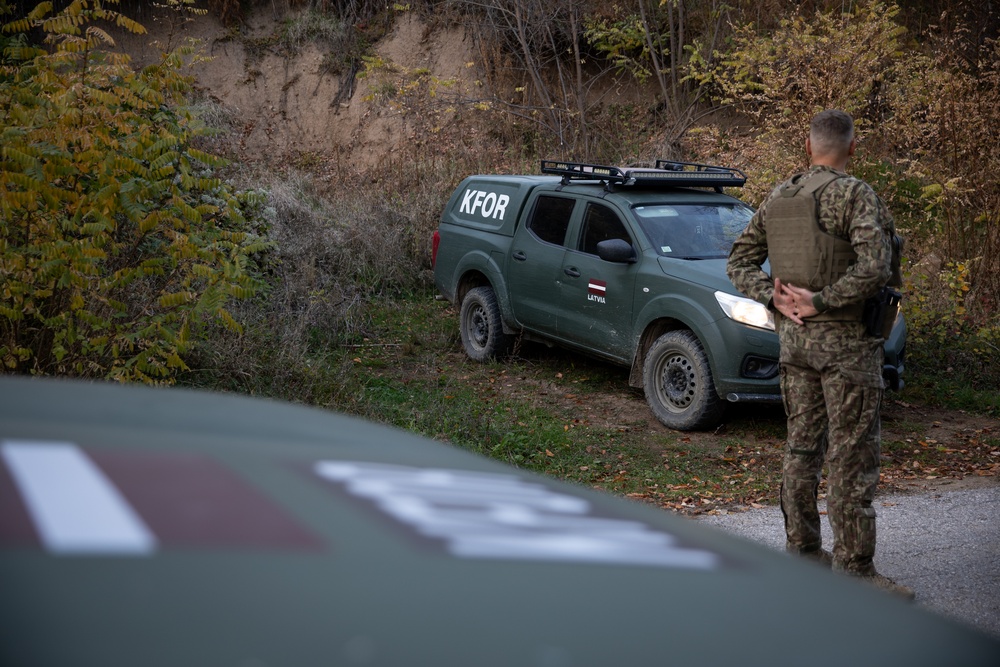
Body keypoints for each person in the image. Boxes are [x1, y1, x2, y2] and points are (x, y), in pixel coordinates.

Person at [726, 109, 913, 599]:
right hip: (847, 348)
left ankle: (804, 555)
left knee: (801, 449)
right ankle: (854, 572)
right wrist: (821, 300)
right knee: (852, 454)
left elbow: (738, 261)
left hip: (794, 345)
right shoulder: (855, 193)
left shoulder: (779, 196)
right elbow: (876, 267)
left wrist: (773, 296)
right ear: (853, 148)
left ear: (808, 149)